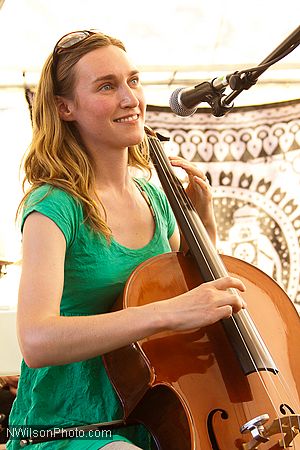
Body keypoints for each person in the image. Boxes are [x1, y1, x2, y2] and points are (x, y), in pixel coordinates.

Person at [7, 30, 246, 450]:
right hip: (69, 426)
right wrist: (164, 313)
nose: (129, 98)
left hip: (153, 416)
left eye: (132, 80)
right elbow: (36, 341)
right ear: (65, 108)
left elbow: (187, 293)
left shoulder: (153, 194)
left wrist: (203, 220)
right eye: (106, 86)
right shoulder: (52, 206)